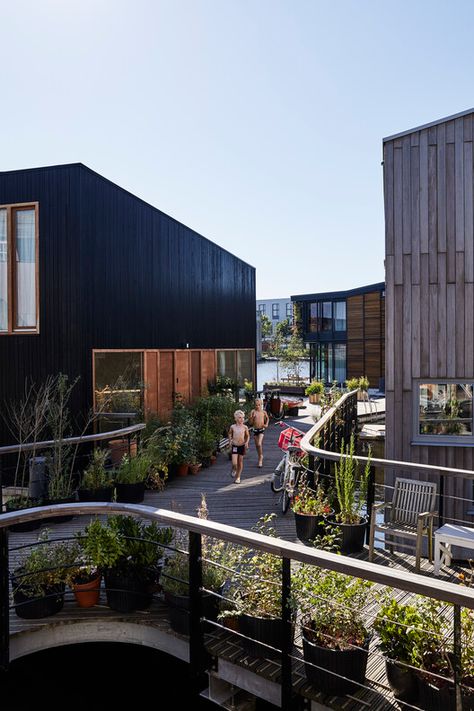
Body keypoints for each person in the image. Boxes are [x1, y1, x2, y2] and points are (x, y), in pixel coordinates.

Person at [228, 409, 250, 484]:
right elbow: (230, 434)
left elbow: (247, 436)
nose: (242, 419)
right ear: (236, 419)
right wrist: (230, 440)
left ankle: (238, 477)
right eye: (240, 417)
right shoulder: (233, 427)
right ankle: (234, 469)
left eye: (243, 417)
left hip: (241, 446)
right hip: (235, 446)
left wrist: (246, 442)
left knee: (240, 462)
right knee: (234, 463)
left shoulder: (245, 427)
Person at [249, 398, 269, 467]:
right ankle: (260, 456)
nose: (257, 406)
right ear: (254, 405)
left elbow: (267, 418)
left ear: (261, 405)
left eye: (259, 405)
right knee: (257, 445)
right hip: (255, 430)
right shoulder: (253, 412)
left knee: (259, 444)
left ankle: (260, 458)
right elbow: (250, 423)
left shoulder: (263, 412)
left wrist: (266, 424)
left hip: (261, 430)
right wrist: (252, 418)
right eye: (256, 405)